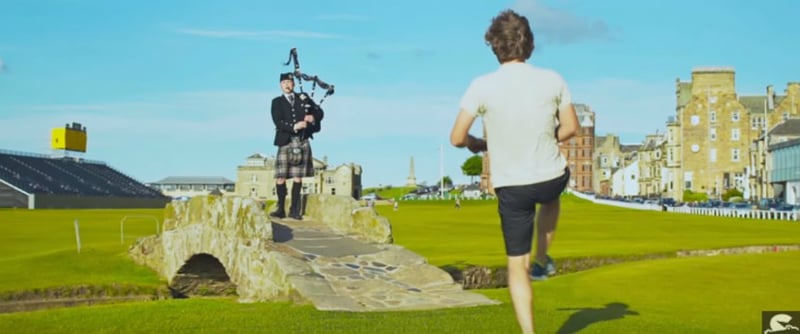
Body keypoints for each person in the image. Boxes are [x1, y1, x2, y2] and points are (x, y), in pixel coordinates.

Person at [449, 9, 579, 334]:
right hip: (550, 177)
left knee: (514, 266)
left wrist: (477, 143)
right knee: (553, 191)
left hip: (512, 187)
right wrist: (545, 136)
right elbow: (571, 128)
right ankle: (544, 256)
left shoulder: (481, 86)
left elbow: (456, 138)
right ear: (529, 44)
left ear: (494, 46)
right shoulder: (553, 79)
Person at [269, 72, 324, 220]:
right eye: (284, 83)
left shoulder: (303, 98)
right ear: (280, 85)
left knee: (297, 177)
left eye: (289, 82)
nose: (287, 85)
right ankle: (280, 209)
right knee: (281, 177)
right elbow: (278, 122)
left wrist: (313, 117)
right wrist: (294, 125)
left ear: (293, 84)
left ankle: (294, 211)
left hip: (302, 140)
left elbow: (319, 112)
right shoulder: (276, 102)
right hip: (285, 140)